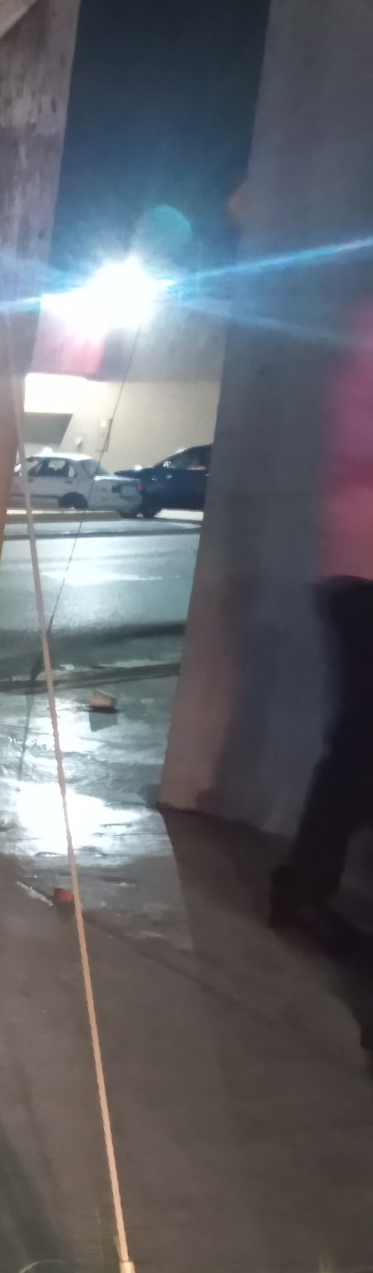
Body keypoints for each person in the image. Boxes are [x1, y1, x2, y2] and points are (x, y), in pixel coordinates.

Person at [271, 296, 373, 953]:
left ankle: (303, 889)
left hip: (355, 564)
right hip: (363, 568)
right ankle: (303, 891)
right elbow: (358, 438)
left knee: (360, 746)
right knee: (360, 747)